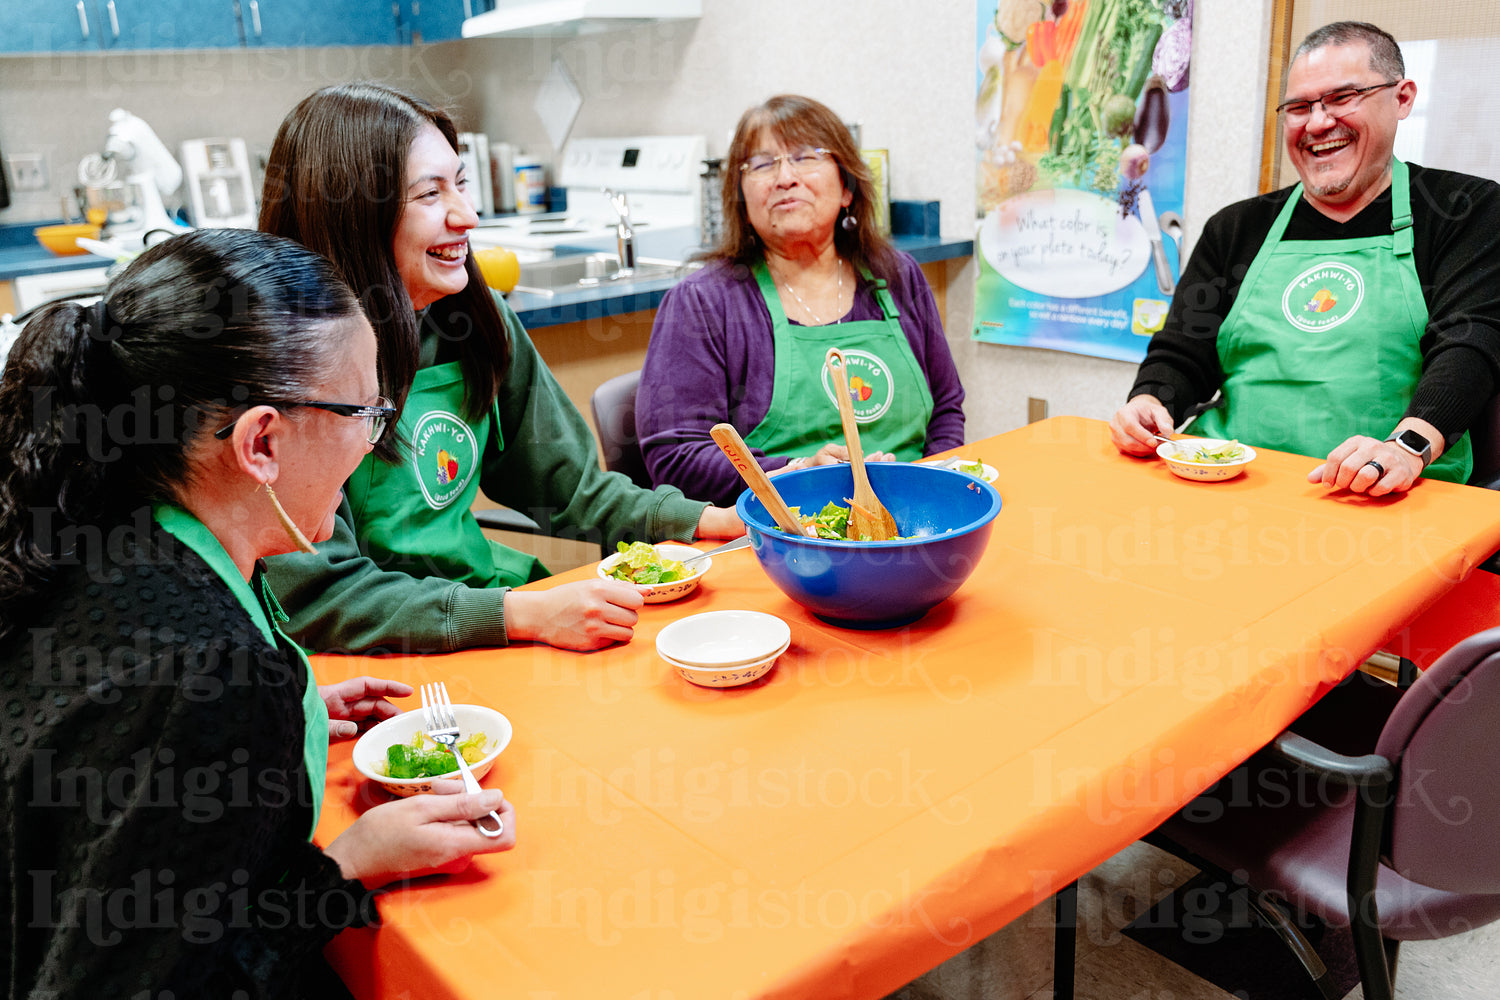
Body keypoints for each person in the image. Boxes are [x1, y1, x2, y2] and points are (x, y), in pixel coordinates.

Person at [0, 229, 516, 997]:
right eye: (366, 413)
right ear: (261, 443)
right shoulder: (208, 675)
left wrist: (289, 718)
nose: (378, 447)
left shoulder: (103, 528)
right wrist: (348, 863)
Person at [257, 83, 743, 654]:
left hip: (488, 612)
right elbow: (324, 597)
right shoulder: (285, 361)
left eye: (460, 184)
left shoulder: (472, 316)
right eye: (430, 194)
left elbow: (570, 488)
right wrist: (518, 613)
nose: (468, 216)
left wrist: (709, 520)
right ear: (354, 216)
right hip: (375, 659)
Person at [1110, 21, 1500, 497]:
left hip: (1391, 493)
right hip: (1233, 487)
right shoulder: (1236, 228)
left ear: (1402, 99)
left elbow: (1472, 343)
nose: (1317, 123)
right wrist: (1151, 399)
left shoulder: (1463, 210)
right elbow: (1183, 353)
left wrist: (1407, 446)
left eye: (1342, 98)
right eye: (1299, 107)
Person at [636, 94, 967, 508]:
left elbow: (947, 409)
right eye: (761, 164)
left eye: (805, 156)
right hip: (781, 531)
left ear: (846, 187)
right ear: (740, 196)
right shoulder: (703, 303)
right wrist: (797, 473)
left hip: (917, 517)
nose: (784, 177)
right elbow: (675, 457)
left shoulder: (897, 276)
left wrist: (932, 488)